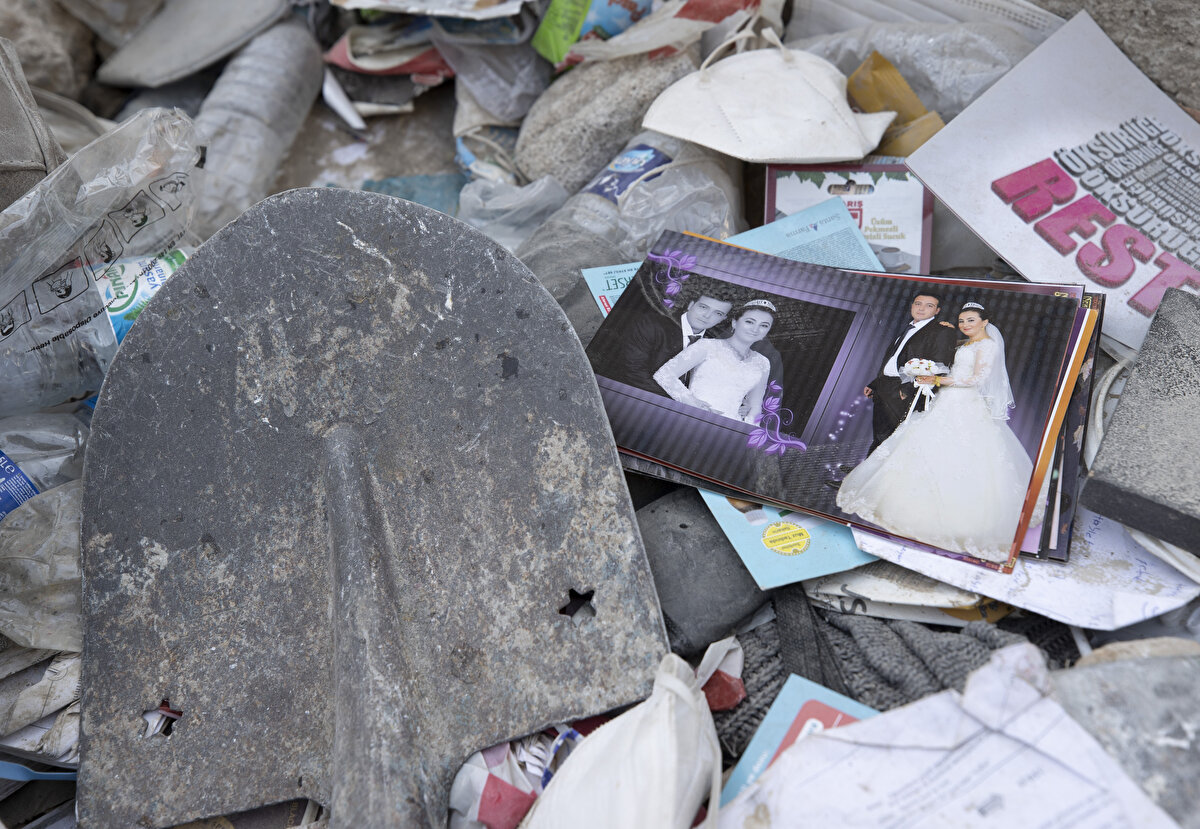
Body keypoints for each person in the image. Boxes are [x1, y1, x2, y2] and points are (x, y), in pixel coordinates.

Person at [835, 302, 1034, 562]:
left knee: (958, 453)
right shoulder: (966, 344)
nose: (965, 325)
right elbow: (950, 357)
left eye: (971, 320)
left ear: (985, 322)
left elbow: (977, 379)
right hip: (945, 400)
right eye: (961, 321)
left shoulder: (988, 346)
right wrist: (937, 351)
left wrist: (937, 379)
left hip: (965, 404)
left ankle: (952, 518)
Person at [652, 299, 775, 423]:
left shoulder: (763, 363)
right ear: (734, 323)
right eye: (749, 322)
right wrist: (695, 405)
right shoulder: (707, 346)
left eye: (764, 325)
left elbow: (755, 406)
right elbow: (664, 375)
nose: (755, 329)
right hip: (694, 418)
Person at [864, 292, 958, 451]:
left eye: (929, 306)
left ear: (937, 311)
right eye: (918, 303)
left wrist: (908, 390)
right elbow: (894, 359)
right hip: (884, 387)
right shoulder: (908, 328)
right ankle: (869, 466)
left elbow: (940, 365)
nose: (921, 308)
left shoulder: (942, 331)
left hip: (905, 391)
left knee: (895, 441)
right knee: (879, 438)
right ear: (912, 306)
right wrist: (875, 383)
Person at [611, 294, 733, 395]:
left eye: (718, 313)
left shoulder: (715, 343)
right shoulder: (652, 324)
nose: (707, 316)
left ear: (723, 318)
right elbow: (633, 372)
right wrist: (682, 400)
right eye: (703, 307)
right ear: (690, 305)